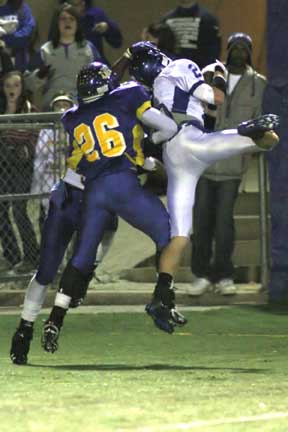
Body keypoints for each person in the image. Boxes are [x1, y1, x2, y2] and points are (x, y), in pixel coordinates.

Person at [112, 41, 279, 334]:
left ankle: (161, 297)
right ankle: (245, 130)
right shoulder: (181, 66)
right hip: (193, 141)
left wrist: (126, 57)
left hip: (174, 157)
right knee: (269, 138)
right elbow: (214, 98)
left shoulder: (147, 93)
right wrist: (218, 74)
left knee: (180, 235)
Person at [40, 60, 185, 354]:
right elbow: (168, 128)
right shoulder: (127, 95)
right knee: (169, 235)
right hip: (123, 185)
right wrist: (145, 147)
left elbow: (81, 160)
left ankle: (55, 319)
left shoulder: (73, 117)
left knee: (81, 259)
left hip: (95, 191)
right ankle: (163, 300)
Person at [188, 32, 267, 296]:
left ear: (250, 52)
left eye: (245, 48)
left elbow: (259, 122)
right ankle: (200, 275)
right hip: (205, 163)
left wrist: (249, 149)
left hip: (233, 167)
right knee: (200, 222)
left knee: (223, 224)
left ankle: (223, 275)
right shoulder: (210, 76)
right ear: (228, 49)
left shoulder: (259, 84)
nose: (240, 53)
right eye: (236, 48)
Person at [0, 70, 39, 273]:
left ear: (22, 87)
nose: (12, 90)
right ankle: (11, 255)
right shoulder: (1, 107)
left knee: (19, 210)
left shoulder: (30, 108)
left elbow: (32, 136)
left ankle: (32, 256)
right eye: (8, 86)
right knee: (1, 210)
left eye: (15, 86)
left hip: (21, 165)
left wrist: (15, 145)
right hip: (3, 165)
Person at [25, 3, 101, 110]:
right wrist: (39, 76)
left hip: (82, 108)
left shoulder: (88, 49)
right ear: (56, 23)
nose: (67, 22)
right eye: (63, 19)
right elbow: (27, 85)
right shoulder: (45, 50)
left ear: (77, 24)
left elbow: (103, 77)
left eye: (71, 19)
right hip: (51, 107)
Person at [31, 91, 75, 227]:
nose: (62, 109)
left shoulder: (77, 129)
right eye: (58, 105)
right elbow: (40, 155)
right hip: (50, 179)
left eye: (65, 105)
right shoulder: (47, 131)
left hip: (72, 178)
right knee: (50, 215)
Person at [57, 0, 122, 64]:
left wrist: (108, 28)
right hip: (70, 67)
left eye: (82, 2)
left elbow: (117, 43)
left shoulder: (96, 14)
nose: (82, 5)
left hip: (96, 66)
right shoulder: (60, 19)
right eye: (75, 5)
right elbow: (53, 47)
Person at [159, 0, 221, 68]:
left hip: (198, 71)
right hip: (171, 70)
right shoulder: (166, 19)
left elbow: (213, 53)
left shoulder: (208, 19)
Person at [0, 0, 35, 71]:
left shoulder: (26, 9)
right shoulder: (2, 11)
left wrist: (6, 39)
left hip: (21, 58)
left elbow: (27, 33)